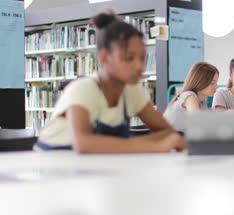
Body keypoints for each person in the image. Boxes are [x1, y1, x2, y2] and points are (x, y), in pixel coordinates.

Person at [35, 10, 184, 153]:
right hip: (51, 163)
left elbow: (167, 132)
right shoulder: (84, 88)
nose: (139, 66)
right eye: (129, 58)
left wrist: (160, 141)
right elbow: (84, 144)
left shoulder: (133, 90)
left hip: (94, 165)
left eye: (142, 57)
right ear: (105, 58)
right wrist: (153, 146)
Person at [164, 62, 219, 132]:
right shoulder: (190, 97)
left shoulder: (202, 101)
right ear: (200, 81)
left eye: (216, 83)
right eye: (212, 83)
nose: (216, 87)